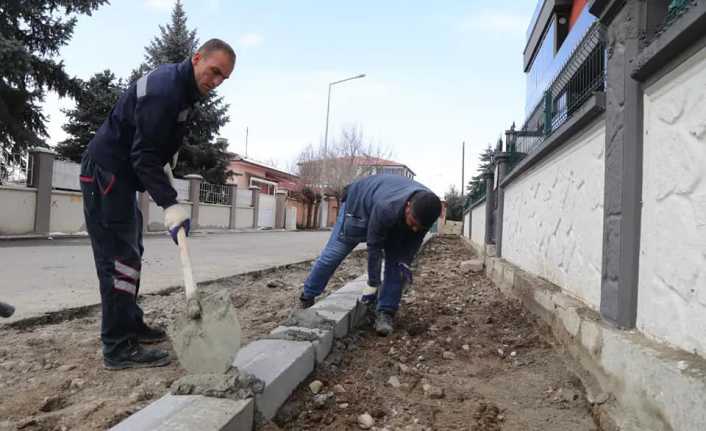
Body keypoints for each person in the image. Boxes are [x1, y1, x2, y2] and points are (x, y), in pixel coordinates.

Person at [79, 39, 236, 370]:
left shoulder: (182, 89)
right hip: (107, 174)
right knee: (119, 262)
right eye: (215, 72)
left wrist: (167, 158)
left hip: (120, 176)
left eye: (224, 78)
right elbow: (142, 154)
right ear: (197, 59)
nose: (217, 81)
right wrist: (170, 203)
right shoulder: (167, 90)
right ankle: (117, 347)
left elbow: (151, 139)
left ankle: (130, 323)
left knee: (131, 253)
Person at [299, 174, 442, 336]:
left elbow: (409, 249)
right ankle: (308, 295)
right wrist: (373, 283)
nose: (415, 229)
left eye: (420, 227)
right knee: (334, 253)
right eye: (413, 223)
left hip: (393, 218)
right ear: (408, 206)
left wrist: (404, 265)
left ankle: (385, 312)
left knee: (397, 266)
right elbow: (374, 247)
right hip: (358, 208)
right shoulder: (387, 206)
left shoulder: (426, 210)